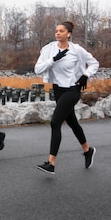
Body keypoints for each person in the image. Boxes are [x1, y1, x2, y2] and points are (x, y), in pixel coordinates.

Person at [34, 21, 99, 175]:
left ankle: (51, 163)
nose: (58, 33)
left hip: (72, 90)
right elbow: (37, 69)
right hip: (58, 90)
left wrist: (86, 75)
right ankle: (88, 150)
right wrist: (54, 59)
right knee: (72, 122)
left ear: (68, 34)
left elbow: (94, 63)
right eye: (56, 31)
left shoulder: (77, 50)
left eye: (61, 31)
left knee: (55, 122)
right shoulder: (49, 49)